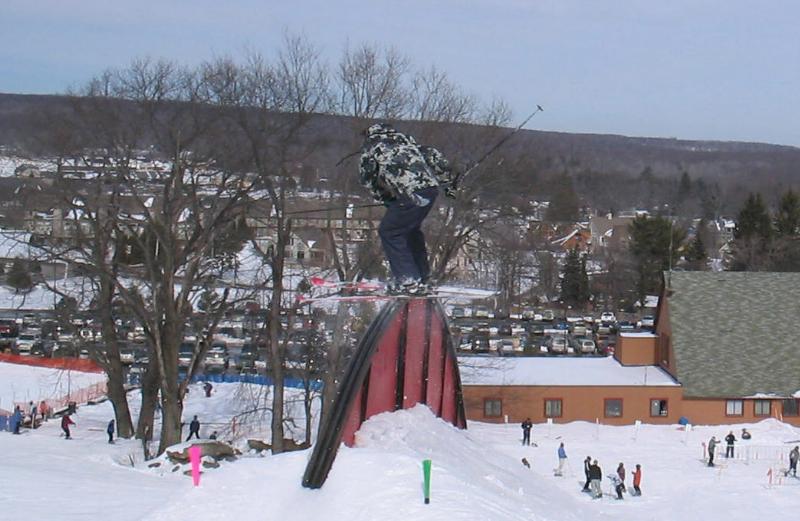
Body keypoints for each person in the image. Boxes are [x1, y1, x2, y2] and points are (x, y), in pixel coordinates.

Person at [358, 123, 455, 295]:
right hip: (430, 190)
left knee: (390, 231)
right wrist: (449, 183)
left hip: (411, 194)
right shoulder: (405, 141)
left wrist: (385, 199)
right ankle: (423, 277)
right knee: (410, 231)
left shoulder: (372, 147)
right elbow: (435, 157)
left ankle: (408, 280)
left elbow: (368, 179)